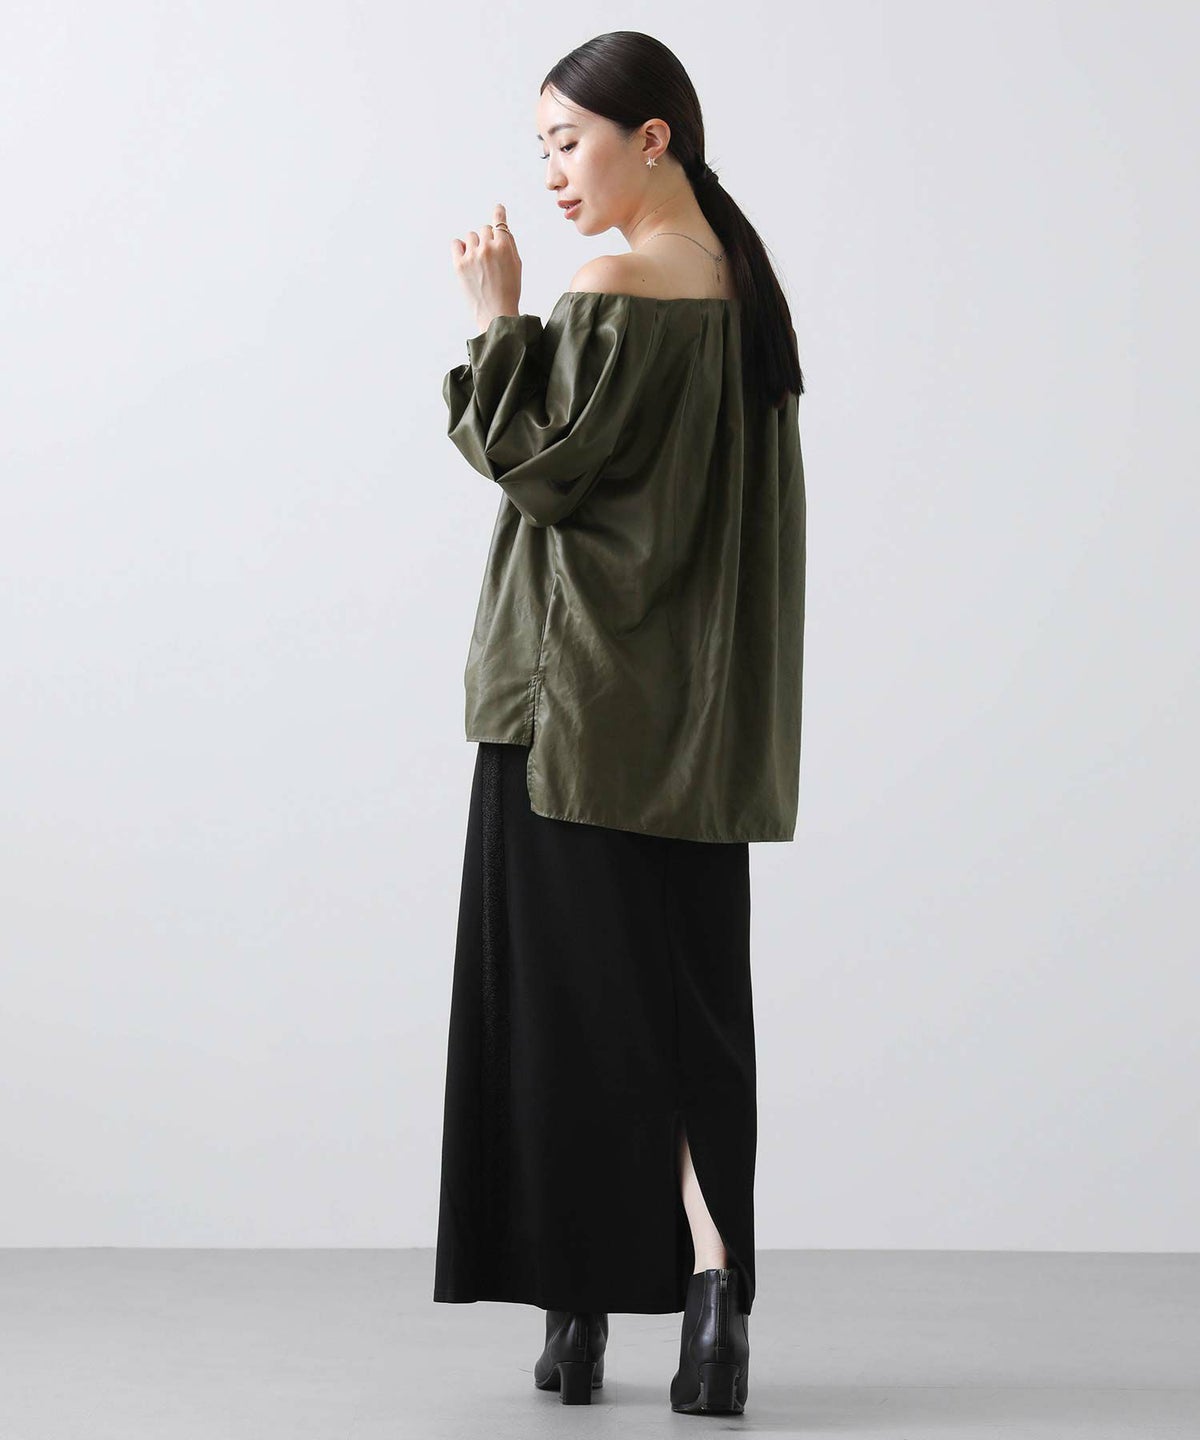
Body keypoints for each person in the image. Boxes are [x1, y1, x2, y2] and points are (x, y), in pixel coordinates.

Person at [432, 29, 806, 1418]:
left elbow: (536, 465)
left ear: (653, 138)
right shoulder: (745, 296)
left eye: (569, 141)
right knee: (686, 1016)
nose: (551, 173)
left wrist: (495, 317)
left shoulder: (612, 283)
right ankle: (714, 1304)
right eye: (540, 146)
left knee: (564, 1019)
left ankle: (575, 1315)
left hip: (570, 714)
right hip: (698, 730)